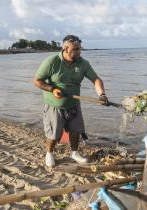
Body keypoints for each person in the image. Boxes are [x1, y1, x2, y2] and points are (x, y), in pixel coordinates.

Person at [33, 35, 108, 167]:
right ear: (65, 48)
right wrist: (52, 89)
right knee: (54, 134)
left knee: (76, 130)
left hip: (73, 104)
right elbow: (37, 81)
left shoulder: (83, 63)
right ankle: (49, 153)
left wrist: (102, 94)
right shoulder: (52, 61)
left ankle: (74, 153)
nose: (79, 52)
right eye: (75, 49)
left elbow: (96, 79)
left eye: (80, 49)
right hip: (54, 105)